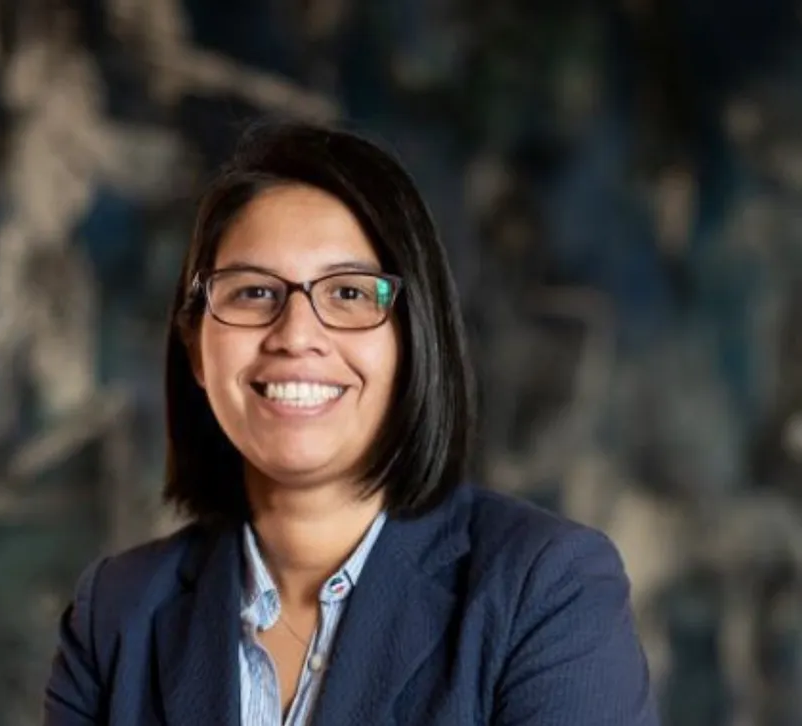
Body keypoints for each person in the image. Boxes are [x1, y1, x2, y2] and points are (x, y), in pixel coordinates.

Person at [43, 121, 660, 726]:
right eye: (253, 292)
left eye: (348, 293)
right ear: (196, 349)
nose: (295, 335)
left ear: (414, 340)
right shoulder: (115, 615)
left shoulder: (545, 590)